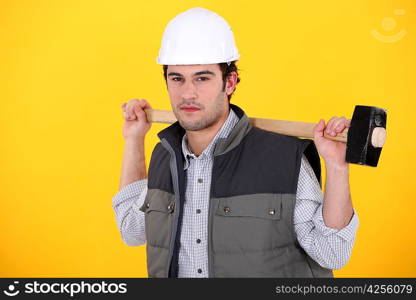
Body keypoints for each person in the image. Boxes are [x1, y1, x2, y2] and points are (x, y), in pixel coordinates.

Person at [112, 7, 358, 278]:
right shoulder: (165, 155)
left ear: (230, 82)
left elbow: (332, 251)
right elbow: (131, 230)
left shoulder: (282, 158)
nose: (187, 93)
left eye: (202, 78)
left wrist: (337, 167)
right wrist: (134, 139)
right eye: (177, 79)